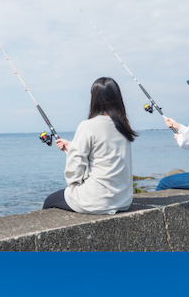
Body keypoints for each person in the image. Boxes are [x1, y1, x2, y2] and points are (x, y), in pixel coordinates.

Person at [42, 77, 137, 214]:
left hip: (96, 201)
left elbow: (75, 170)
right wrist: (73, 146)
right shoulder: (123, 127)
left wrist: (74, 186)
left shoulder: (87, 126)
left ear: (94, 98)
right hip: (123, 200)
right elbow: (105, 157)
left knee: (49, 202)